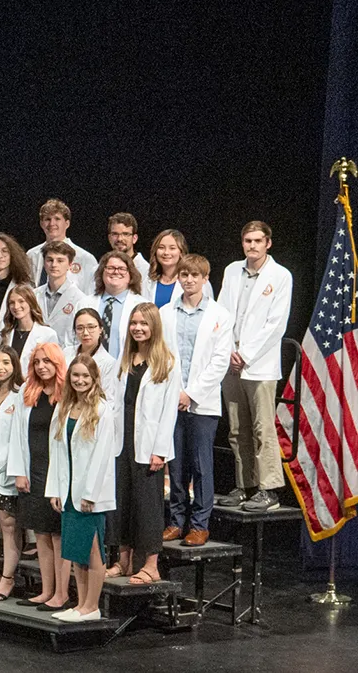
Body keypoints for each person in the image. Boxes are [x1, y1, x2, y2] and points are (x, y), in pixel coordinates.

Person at [216, 221, 292, 511]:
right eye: (247, 241)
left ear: (268, 243)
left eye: (257, 241)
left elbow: (275, 325)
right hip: (231, 361)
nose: (252, 246)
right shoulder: (232, 270)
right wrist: (228, 350)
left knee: (262, 428)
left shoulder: (280, 275)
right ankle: (245, 485)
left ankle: (269, 489)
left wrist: (245, 354)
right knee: (237, 429)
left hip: (258, 364)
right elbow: (222, 313)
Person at [162, 254, 234, 545]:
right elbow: (163, 357)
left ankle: (200, 523)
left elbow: (219, 362)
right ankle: (176, 521)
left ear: (206, 279)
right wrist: (175, 392)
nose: (189, 280)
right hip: (171, 400)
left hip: (202, 402)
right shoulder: (166, 312)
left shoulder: (220, 316)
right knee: (176, 464)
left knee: (201, 465)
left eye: (195, 276)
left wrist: (190, 393)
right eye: (184, 275)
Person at [46, 356, 125, 623]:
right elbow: (56, 451)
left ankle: (92, 606)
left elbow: (103, 455)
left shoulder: (103, 410)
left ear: (94, 379)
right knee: (75, 551)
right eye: (75, 375)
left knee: (92, 550)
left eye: (85, 377)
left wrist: (90, 493)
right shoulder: (64, 408)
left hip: (89, 495)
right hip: (68, 491)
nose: (80, 381)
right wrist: (54, 488)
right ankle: (80, 604)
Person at [111, 303, 180, 585]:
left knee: (147, 505)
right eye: (134, 323)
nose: (138, 328)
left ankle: (151, 565)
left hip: (149, 445)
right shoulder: (125, 360)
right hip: (122, 441)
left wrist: (160, 450)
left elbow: (168, 412)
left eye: (143, 323)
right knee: (122, 502)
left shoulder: (167, 363)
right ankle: (123, 560)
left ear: (154, 326)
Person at [17, 343, 71, 610]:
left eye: (47, 361)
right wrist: (19, 472)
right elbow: (17, 434)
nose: (41, 366)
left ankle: (62, 593)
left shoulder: (67, 395)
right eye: (37, 361)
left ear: (58, 363)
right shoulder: (28, 393)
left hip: (58, 472)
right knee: (41, 535)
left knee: (58, 536)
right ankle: (46, 590)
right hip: (34, 471)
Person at [25, 199, 101, 293]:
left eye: (57, 219)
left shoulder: (85, 258)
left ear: (67, 223)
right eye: (48, 219)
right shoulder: (32, 255)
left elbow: (92, 293)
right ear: (41, 224)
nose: (52, 224)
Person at [92, 251, 150, 357]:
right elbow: (72, 340)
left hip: (125, 369)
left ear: (131, 274)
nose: (116, 272)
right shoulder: (85, 303)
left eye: (122, 269)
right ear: (101, 272)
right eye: (110, 268)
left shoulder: (143, 305)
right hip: (89, 369)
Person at [36, 240, 97, 339]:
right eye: (50, 260)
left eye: (60, 260)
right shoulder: (34, 295)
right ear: (44, 263)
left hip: (66, 352)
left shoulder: (81, 300)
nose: (54, 265)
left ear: (70, 265)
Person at [145, 229, 215, 306]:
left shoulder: (198, 281)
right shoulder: (147, 280)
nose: (166, 252)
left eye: (172, 248)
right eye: (161, 247)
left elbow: (208, 310)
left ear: (181, 252)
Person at [0, 286, 59, 375]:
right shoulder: (5, 335)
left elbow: (52, 368)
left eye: (21, 301)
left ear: (30, 303)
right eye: (12, 302)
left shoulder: (48, 334)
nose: (16, 306)